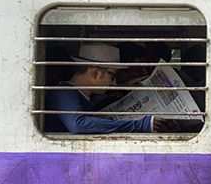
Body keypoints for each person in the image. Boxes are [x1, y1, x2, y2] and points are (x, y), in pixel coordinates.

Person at [44, 43, 180, 134]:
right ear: (96, 72)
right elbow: (79, 124)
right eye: (112, 75)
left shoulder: (81, 95)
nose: (113, 82)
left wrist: (121, 87)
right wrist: (140, 125)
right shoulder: (63, 92)